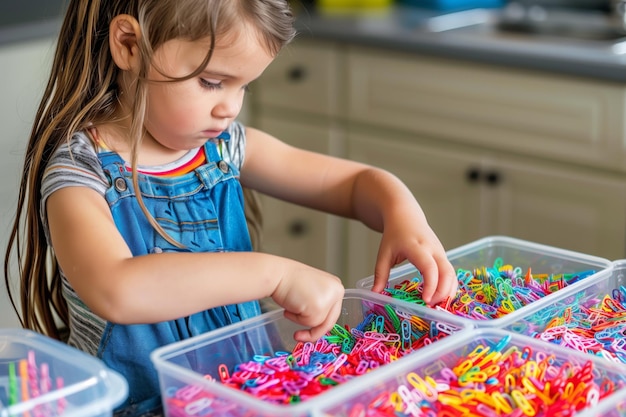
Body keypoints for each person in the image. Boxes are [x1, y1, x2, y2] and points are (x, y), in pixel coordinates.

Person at [3, 0, 458, 415]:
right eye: (212, 82)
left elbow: (355, 183)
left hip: (241, 398)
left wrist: (404, 216)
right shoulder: (80, 171)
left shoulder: (226, 147)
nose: (230, 109)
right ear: (129, 45)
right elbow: (116, 289)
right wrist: (275, 275)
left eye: (244, 87)